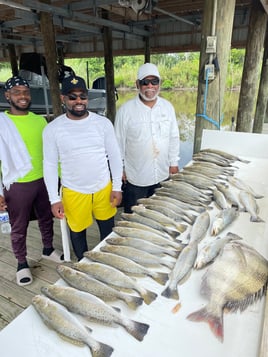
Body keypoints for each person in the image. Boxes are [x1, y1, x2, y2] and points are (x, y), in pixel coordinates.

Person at [42, 75, 123, 261]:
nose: (78, 101)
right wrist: (54, 199)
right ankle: (83, 263)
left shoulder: (103, 123)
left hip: (104, 187)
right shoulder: (52, 129)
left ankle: (108, 261)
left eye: (82, 96)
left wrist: (117, 187)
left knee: (107, 227)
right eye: (72, 97)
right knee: (77, 232)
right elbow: (50, 165)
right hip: (74, 191)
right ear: (63, 99)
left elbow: (115, 156)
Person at [0, 75, 64, 286]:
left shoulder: (39, 120)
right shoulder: (2, 123)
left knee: (46, 217)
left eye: (25, 92)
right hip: (17, 183)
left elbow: (52, 152)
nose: (22, 96)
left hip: (44, 180)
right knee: (19, 226)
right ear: (7, 95)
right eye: (17, 92)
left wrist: (60, 177)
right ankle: (21, 262)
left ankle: (47, 249)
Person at [114, 63, 180, 213]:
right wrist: (120, 169)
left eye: (154, 81)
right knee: (134, 218)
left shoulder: (168, 107)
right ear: (137, 84)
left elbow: (174, 137)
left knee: (160, 214)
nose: (150, 86)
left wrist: (174, 162)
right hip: (136, 177)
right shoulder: (125, 111)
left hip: (163, 175)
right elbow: (118, 144)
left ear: (159, 83)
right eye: (145, 82)